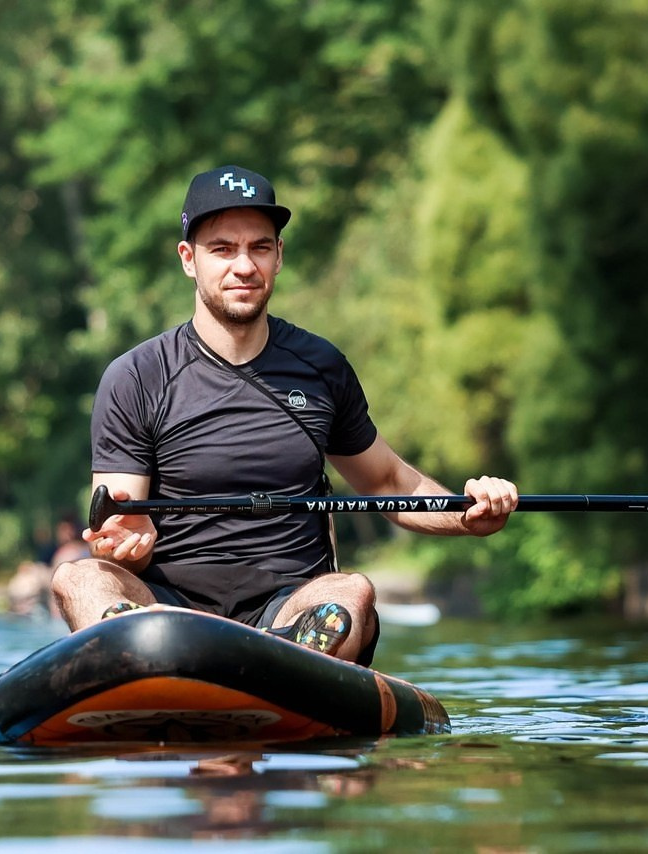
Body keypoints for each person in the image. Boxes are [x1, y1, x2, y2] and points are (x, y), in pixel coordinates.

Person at [50, 165, 518, 666]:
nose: (244, 265)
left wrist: (469, 516)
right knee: (77, 578)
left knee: (352, 590)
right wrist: (127, 547)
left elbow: (387, 482)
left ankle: (287, 664)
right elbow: (122, 532)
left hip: (291, 610)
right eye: (223, 248)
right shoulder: (136, 376)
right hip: (171, 612)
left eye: (260, 247)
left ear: (279, 257)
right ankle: (140, 654)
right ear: (189, 259)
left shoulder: (321, 367)